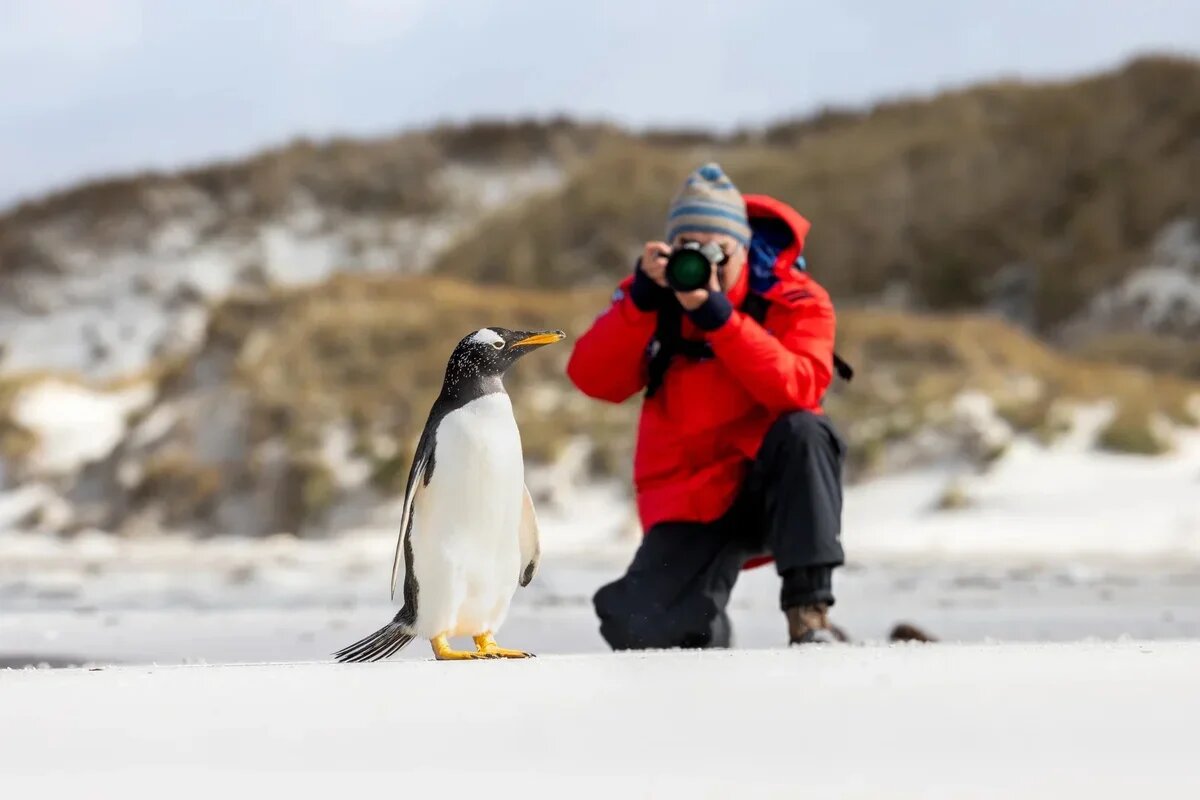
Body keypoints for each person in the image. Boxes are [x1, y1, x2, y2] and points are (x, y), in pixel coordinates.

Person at [566, 162, 849, 649]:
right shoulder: (650, 301)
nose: (701, 261)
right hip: (692, 494)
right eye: (687, 246)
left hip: (773, 486)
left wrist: (722, 319)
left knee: (806, 430)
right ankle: (707, 633)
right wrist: (637, 306)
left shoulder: (797, 301)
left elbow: (800, 388)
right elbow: (592, 380)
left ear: (743, 246)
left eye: (717, 249)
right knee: (641, 627)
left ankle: (811, 618)